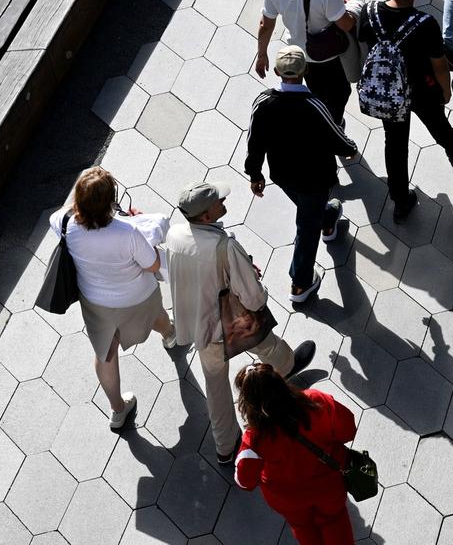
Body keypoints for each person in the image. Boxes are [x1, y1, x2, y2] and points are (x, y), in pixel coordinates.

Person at [161, 181, 317, 465]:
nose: (223, 201)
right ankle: (285, 374)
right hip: (233, 323)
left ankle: (225, 448)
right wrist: (253, 278)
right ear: (206, 216)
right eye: (217, 201)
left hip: (200, 328)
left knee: (215, 386)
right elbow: (254, 299)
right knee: (268, 347)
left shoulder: (174, 235)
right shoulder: (225, 245)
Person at [51, 167, 174, 430]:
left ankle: (118, 410)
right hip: (136, 297)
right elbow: (152, 265)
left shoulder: (66, 224)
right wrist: (136, 219)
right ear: (110, 202)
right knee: (157, 317)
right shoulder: (128, 232)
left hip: (96, 303)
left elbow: (60, 214)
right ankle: (171, 336)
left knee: (105, 352)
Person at [352, 0, 453, 221]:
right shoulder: (425, 23)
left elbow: (363, 43)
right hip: (421, 88)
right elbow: (439, 65)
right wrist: (446, 91)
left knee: (394, 145)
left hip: (387, 92)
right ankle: (452, 144)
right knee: (435, 119)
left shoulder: (370, 11)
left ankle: (400, 200)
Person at [245, 45, 359, 303]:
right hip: (315, 178)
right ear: (305, 70)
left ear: (276, 71)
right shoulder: (313, 105)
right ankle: (301, 283)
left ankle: (328, 218)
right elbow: (335, 135)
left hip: (283, 175)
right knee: (306, 228)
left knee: (312, 208)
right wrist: (350, 148)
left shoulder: (263, 103)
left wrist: (255, 174)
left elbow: (255, 141)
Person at [234, 362, 358, 545]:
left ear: (248, 403)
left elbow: (244, 481)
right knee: (335, 519)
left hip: (288, 499)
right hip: (329, 485)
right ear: (280, 382)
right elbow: (349, 429)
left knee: (303, 528)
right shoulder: (316, 400)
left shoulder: (254, 440)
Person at [256, 0, 357, 127]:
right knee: (339, 94)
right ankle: (334, 127)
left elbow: (265, 25)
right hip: (326, 56)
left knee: (314, 91)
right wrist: (353, 8)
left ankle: (320, 119)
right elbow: (346, 24)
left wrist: (262, 54)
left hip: (298, 55)